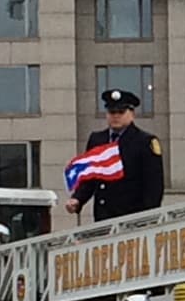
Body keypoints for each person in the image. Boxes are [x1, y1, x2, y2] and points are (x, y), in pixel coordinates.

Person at [66, 89, 165, 221]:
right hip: (103, 217)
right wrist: (78, 199)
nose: (116, 116)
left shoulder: (145, 141)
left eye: (121, 112)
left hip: (132, 218)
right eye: (112, 112)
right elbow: (90, 177)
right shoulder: (97, 139)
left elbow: (154, 186)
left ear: (132, 114)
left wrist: (147, 219)